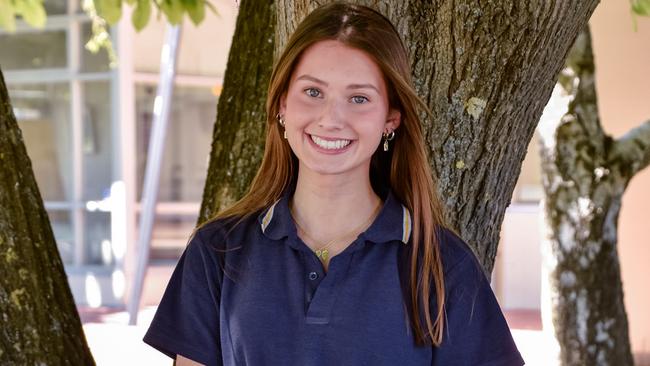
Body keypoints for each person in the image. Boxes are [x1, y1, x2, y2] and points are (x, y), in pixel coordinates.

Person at [143, 2, 525, 365]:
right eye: (313, 92)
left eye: (358, 98)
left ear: (390, 118)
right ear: (282, 104)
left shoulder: (442, 264)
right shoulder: (218, 251)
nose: (331, 119)